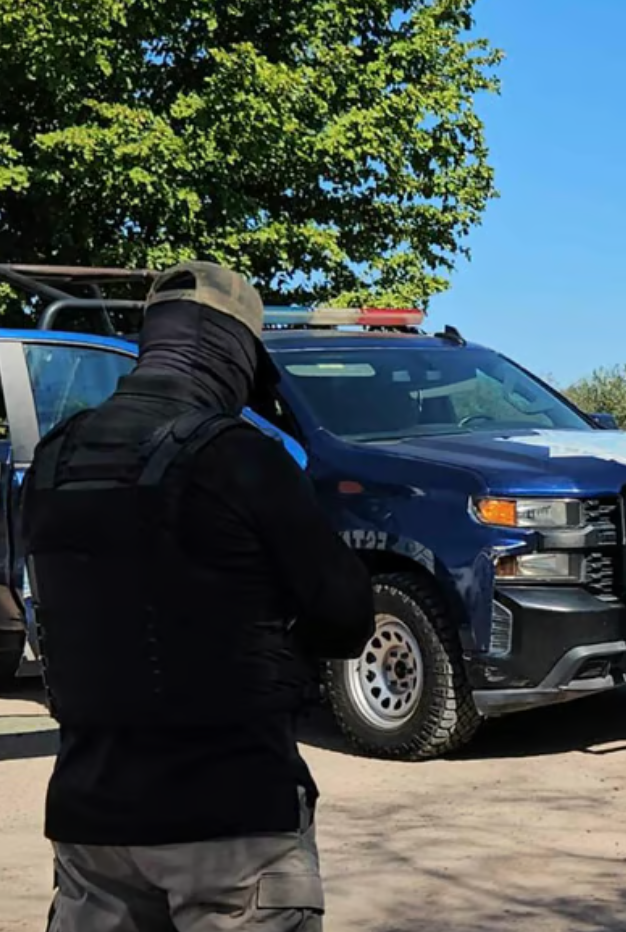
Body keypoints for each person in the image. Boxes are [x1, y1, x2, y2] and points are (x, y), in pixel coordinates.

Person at [20, 261, 376, 931]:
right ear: (236, 352)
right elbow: (347, 616)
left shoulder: (54, 458)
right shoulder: (241, 457)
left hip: (90, 819)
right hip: (232, 818)